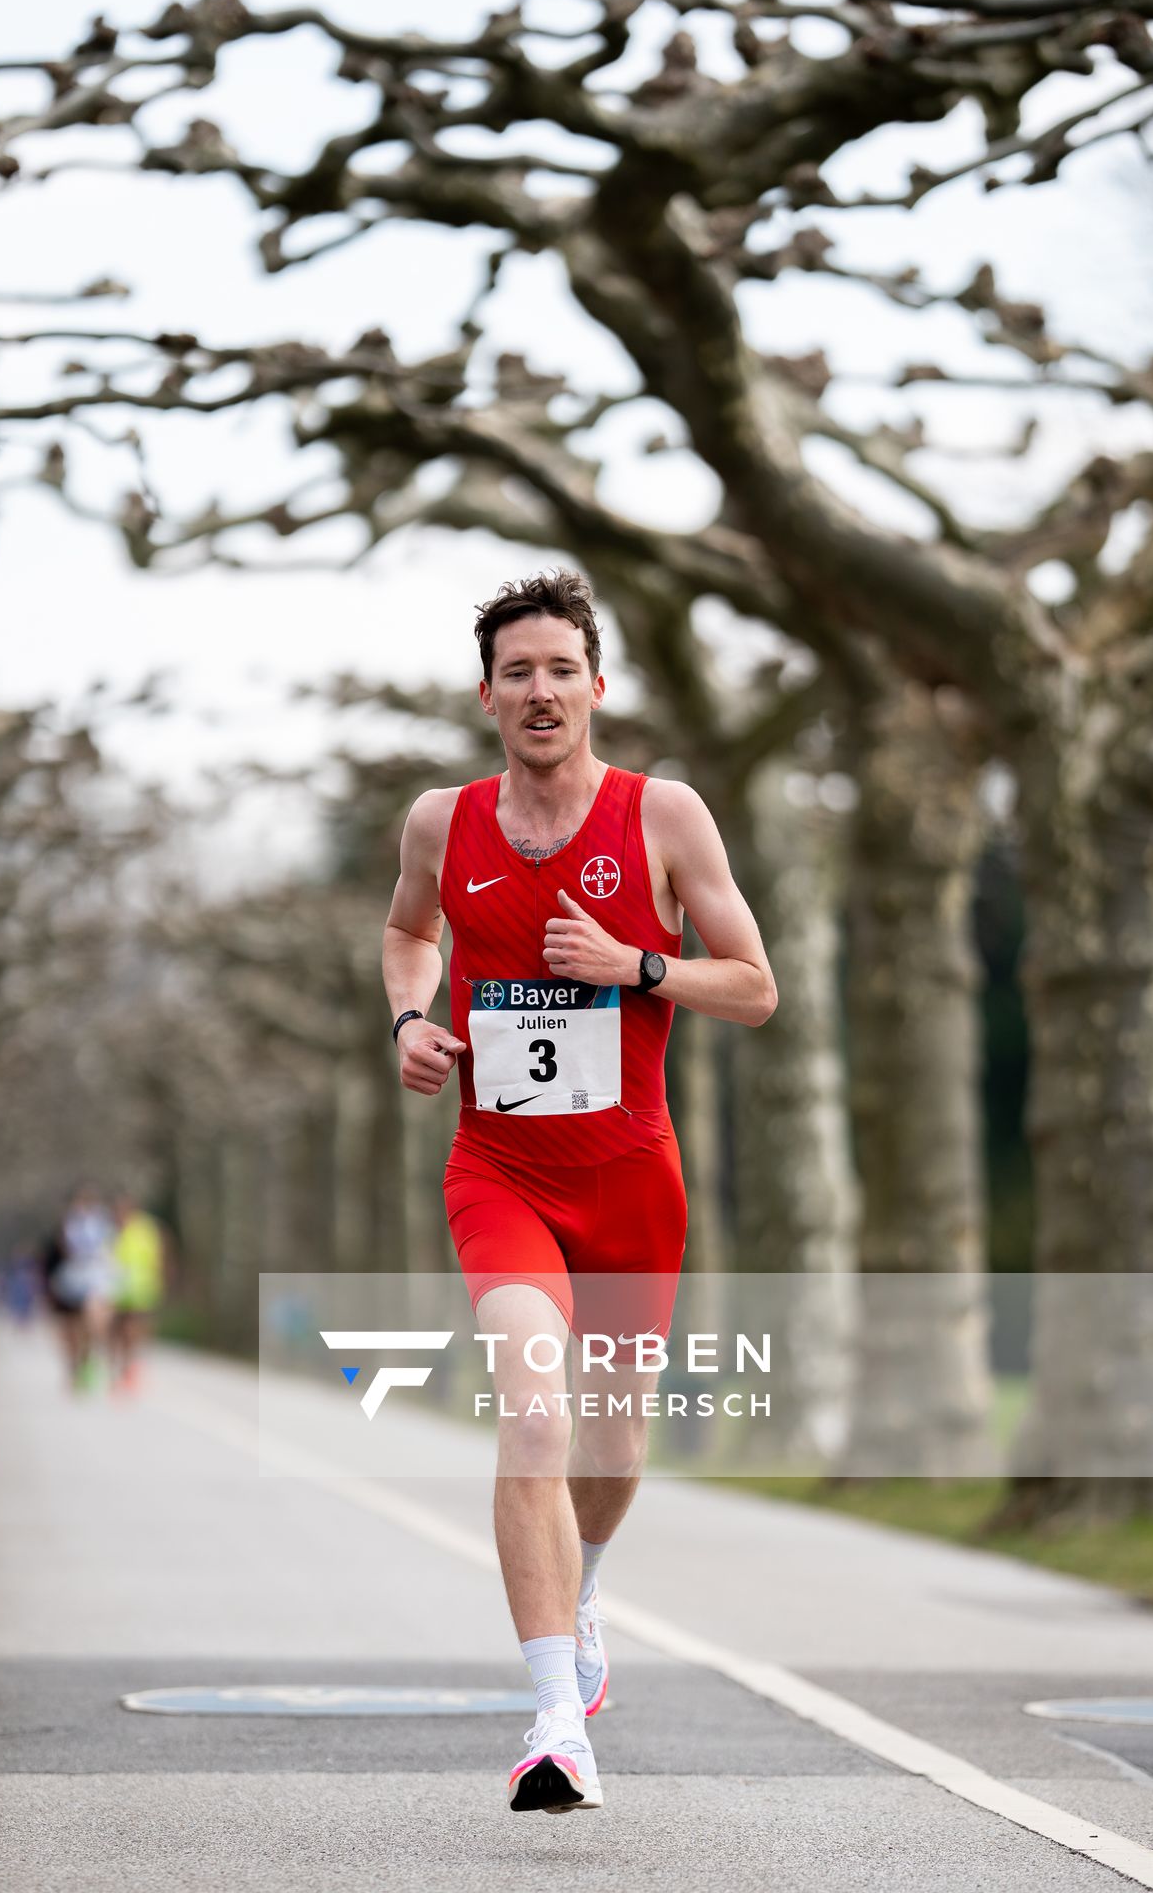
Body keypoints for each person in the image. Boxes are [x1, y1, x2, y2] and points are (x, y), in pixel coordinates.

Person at [383, 570, 777, 1813]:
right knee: (534, 1412)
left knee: (607, 1445)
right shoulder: (440, 824)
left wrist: (638, 966)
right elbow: (409, 932)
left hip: (629, 1184)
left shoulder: (661, 815)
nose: (540, 690)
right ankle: (554, 1718)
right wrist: (408, 1016)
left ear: (596, 686)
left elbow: (754, 985)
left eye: (562, 669)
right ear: (486, 695)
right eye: (518, 673)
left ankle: (584, 1581)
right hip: (497, 1170)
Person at [52, 1183, 117, 1391]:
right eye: (80, 1200)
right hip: (74, 1278)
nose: (83, 1205)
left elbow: (112, 1249)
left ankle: (88, 1360)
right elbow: (63, 1251)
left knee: (94, 1325)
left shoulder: (105, 1223)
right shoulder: (68, 1223)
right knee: (73, 1328)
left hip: (98, 1278)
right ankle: (75, 1366)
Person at [108, 1193, 169, 1392]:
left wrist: (161, 1278)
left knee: (133, 1327)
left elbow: (160, 1253)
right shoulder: (112, 1229)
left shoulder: (146, 1229)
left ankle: (131, 1366)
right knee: (115, 1330)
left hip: (140, 1285)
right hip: (114, 1286)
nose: (121, 1213)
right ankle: (121, 1366)